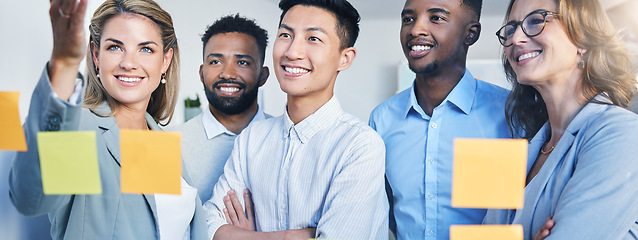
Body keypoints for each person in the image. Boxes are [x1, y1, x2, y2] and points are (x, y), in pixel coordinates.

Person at [8, 0, 207, 239]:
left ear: (165, 61)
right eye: (115, 47)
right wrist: (64, 63)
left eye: (145, 49)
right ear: (96, 55)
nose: (128, 63)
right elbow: (31, 199)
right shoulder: (80, 128)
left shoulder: (160, 141)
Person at [202, 0, 388, 239]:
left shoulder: (360, 146)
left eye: (313, 39)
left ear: (345, 58)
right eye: (286, 35)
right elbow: (208, 225)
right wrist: (291, 236)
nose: (292, 52)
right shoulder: (252, 138)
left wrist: (243, 236)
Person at [483, 0, 638, 239]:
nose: (515, 39)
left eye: (536, 20)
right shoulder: (523, 149)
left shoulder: (623, 134)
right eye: (511, 29)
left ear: (583, 38)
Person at [368, 0, 513, 239]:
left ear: (471, 33)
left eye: (436, 18)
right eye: (408, 19)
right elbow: (384, 215)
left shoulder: (509, 114)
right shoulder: (382, 120)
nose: (415, 29)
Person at [168, 14, 270, 202]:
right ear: (201, 72)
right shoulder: (167, 144)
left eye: (242, 62)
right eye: (215, 61)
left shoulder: (289, 139)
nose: (227, 74)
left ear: (263, 75)